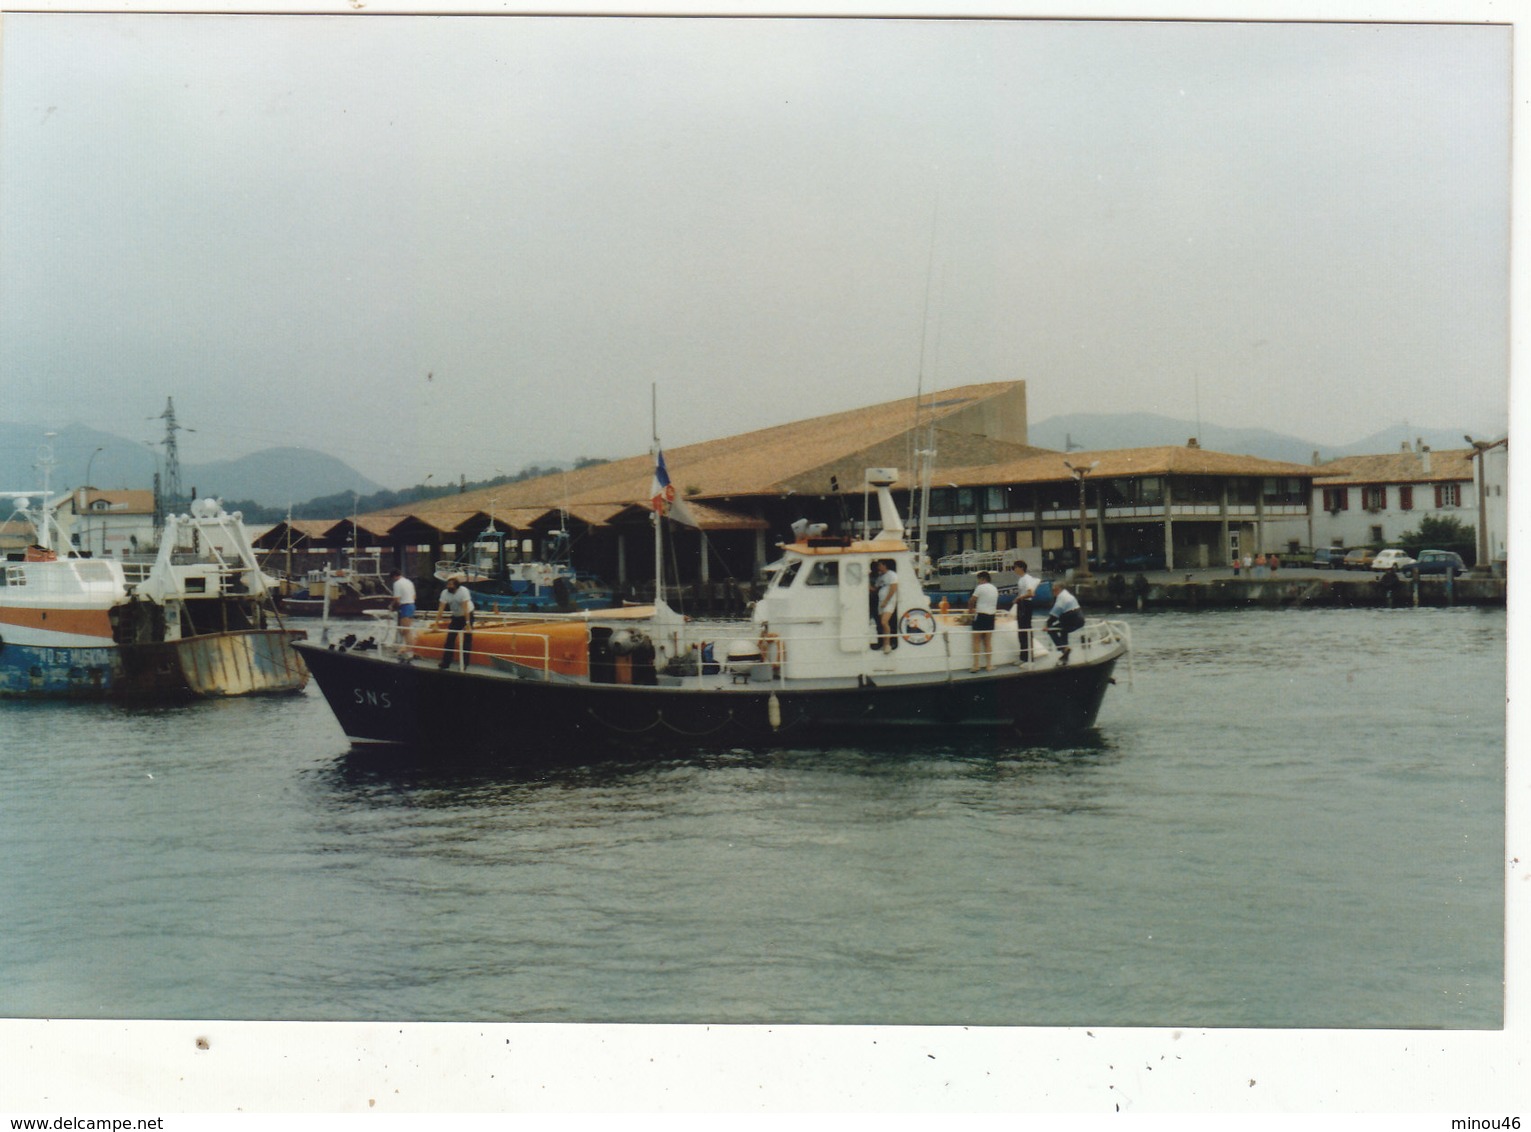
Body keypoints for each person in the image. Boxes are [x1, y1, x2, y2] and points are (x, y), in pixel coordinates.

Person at [437, 574, 475, 670]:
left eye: (451, 584)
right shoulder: (445, 593)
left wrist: (468, 624)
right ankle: (446, 663)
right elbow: (441, 608)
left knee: (467, 640)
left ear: (456, 585)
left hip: (467, 615)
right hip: (456, 616)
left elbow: (465, 608)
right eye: (448, 584)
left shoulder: (463, 591)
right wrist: (436, 623)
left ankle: (464, 664)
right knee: (450, 639)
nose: (448, 586)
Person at [966, 570, 999, 672]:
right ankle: (989, 665)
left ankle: (976, 665)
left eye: (978, 580)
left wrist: (970, 610)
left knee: (976, 641)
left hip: (980, 615)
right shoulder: (994, 589)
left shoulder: (980, 587)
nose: (978, 582)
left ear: (982, 579)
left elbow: (972, 600)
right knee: (988, 642)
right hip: (991, 616)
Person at [1045, 584, 1085, 665]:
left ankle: (1064, 649)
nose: (1053, 592)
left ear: (1058, 589)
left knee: (1051, 630)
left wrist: (1047, 625)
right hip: (1079, 619)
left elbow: (1055, 613)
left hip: (1072, 620)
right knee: (1063, 630)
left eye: (1054, 590)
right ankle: (1065, 653)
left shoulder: (1061, 598)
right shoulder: (1067, 595)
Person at [1011, 559, 1040, 664]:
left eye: (1015, 567)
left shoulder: (1025, 579)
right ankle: (1024, 657)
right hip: (1023, 604)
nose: (1014, 569)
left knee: (1024, 630)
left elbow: (1031, 593)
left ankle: (1027, 658)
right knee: (1022, 631)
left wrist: (1018, 598)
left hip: (1025, 605)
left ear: (1021, 568)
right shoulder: (1023, 579)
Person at [872, 558, 899, 652]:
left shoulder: (892, 575)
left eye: (879, 565)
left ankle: (887, 645)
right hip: (881, 602)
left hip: (889, 602)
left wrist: (886, 601)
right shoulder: (880, 577)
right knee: (881, 624)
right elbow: (875, 589)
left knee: (884, 622)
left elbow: (893, 588)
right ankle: (883, 643)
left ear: (884, 565)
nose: (878, 567)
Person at [389, 569, 417, 658]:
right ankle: (407, 648)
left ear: (394, 577)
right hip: (411, 605)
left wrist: (392, 607)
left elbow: (397, 599)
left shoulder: (397, 583)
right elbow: (414, 596)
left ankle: (409, 650)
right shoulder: (409, 582)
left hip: (405, 606)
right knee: (406, 629)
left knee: (405, 630)